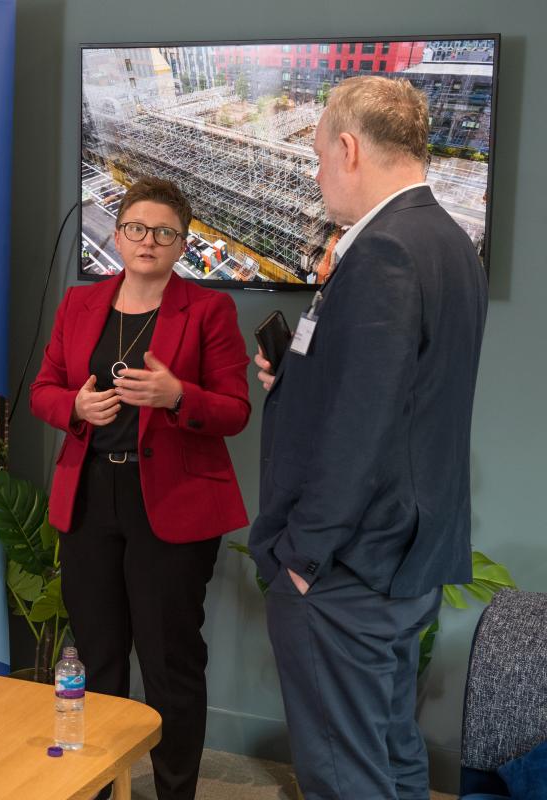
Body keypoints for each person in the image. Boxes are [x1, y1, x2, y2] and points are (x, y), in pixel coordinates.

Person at [248, 76, 487, 800]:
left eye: (319, 158)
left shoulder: (382, 251)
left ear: (349, 148)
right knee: (390, 749)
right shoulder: (445, 239)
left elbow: (362, 428)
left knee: (343, 774)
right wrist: (296, 377)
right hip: (404, 558)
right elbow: (394, 391)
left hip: (347, 566)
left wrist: (303, 557)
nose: (318, 177)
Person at [30, 177, 250, 800]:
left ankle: (174, 792)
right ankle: (98, 787)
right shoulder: (79, 304)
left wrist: (176, 395)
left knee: (169, 664)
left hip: (172, 505)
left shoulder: (209, 311)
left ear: (182, 243)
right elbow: (46, 389)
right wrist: (74, 406)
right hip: (91, 495)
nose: (147, 241)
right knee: (98, 659)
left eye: (163, 232)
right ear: (117, 232)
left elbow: (235, 410)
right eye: (135, 228)